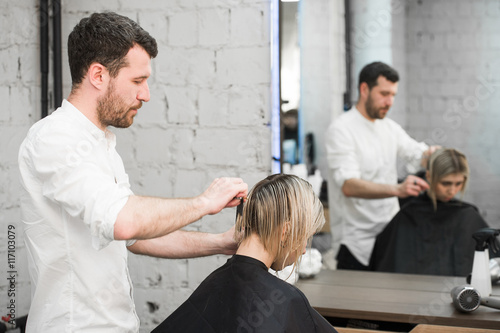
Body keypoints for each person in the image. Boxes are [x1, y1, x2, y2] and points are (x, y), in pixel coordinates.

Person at [18, 12, 248, 332]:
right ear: (98, 75)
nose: (146, 94)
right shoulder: (54, 139)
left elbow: (136, 237)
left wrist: (224, 242)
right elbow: (125, 222)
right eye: (138, 81)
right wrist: (204, 202)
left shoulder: (101, 145)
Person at [152, 174, 338, 332]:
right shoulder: (286, 300)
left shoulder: (216, 281)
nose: (304, 249)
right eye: (305, 237)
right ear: (286, 231)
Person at [325, 61, 439, 271]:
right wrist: (398, 189)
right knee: (356, 301)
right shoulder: (341, 130)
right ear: (364, 89)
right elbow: (349, 186)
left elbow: (415, 153)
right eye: (384, 93)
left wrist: (433, 155)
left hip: (389, 232)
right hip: (354, 242)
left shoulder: (389, 128)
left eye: (393, 95)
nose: (390, 101)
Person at [369, 148, 489, 276]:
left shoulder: (468, 216)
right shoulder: (409, 213)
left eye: (458, 183)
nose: (452, 190)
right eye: (446, 183)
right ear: (429, 176)